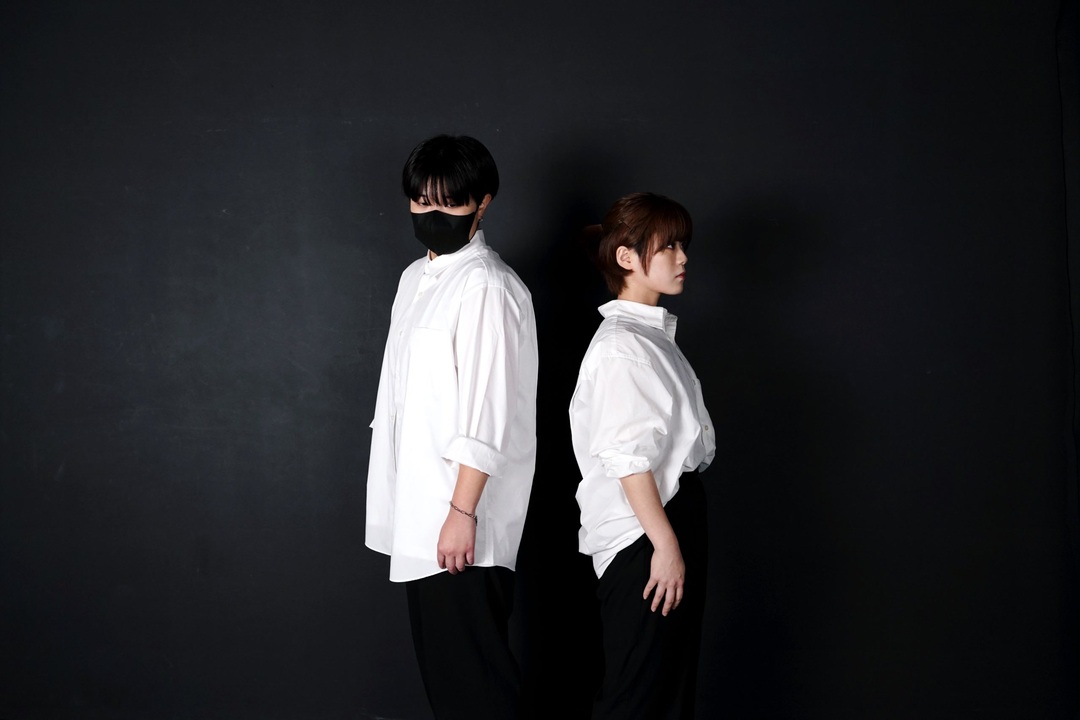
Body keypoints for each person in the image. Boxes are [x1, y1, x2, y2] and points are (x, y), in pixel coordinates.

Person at [365, 134, 538, 719]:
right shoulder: (415, 279)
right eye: (421, 202)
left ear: (482, 203)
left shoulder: (487, 285)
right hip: (421, 519)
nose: (431, 214)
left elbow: (488, 411)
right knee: (448, 685)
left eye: (449, 203)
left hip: (461, 522)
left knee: (476, 688)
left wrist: (461, 513)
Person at [570, 192, 716, 719]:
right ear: (626, 257)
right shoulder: (622, 346)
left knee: (665, 693)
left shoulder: (647, 336)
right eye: (669, 246)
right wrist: (665, 544)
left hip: (667, 519)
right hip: (645, 533)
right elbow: (627, 458)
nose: (682, 257)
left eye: (683, 244)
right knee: (638, 697)